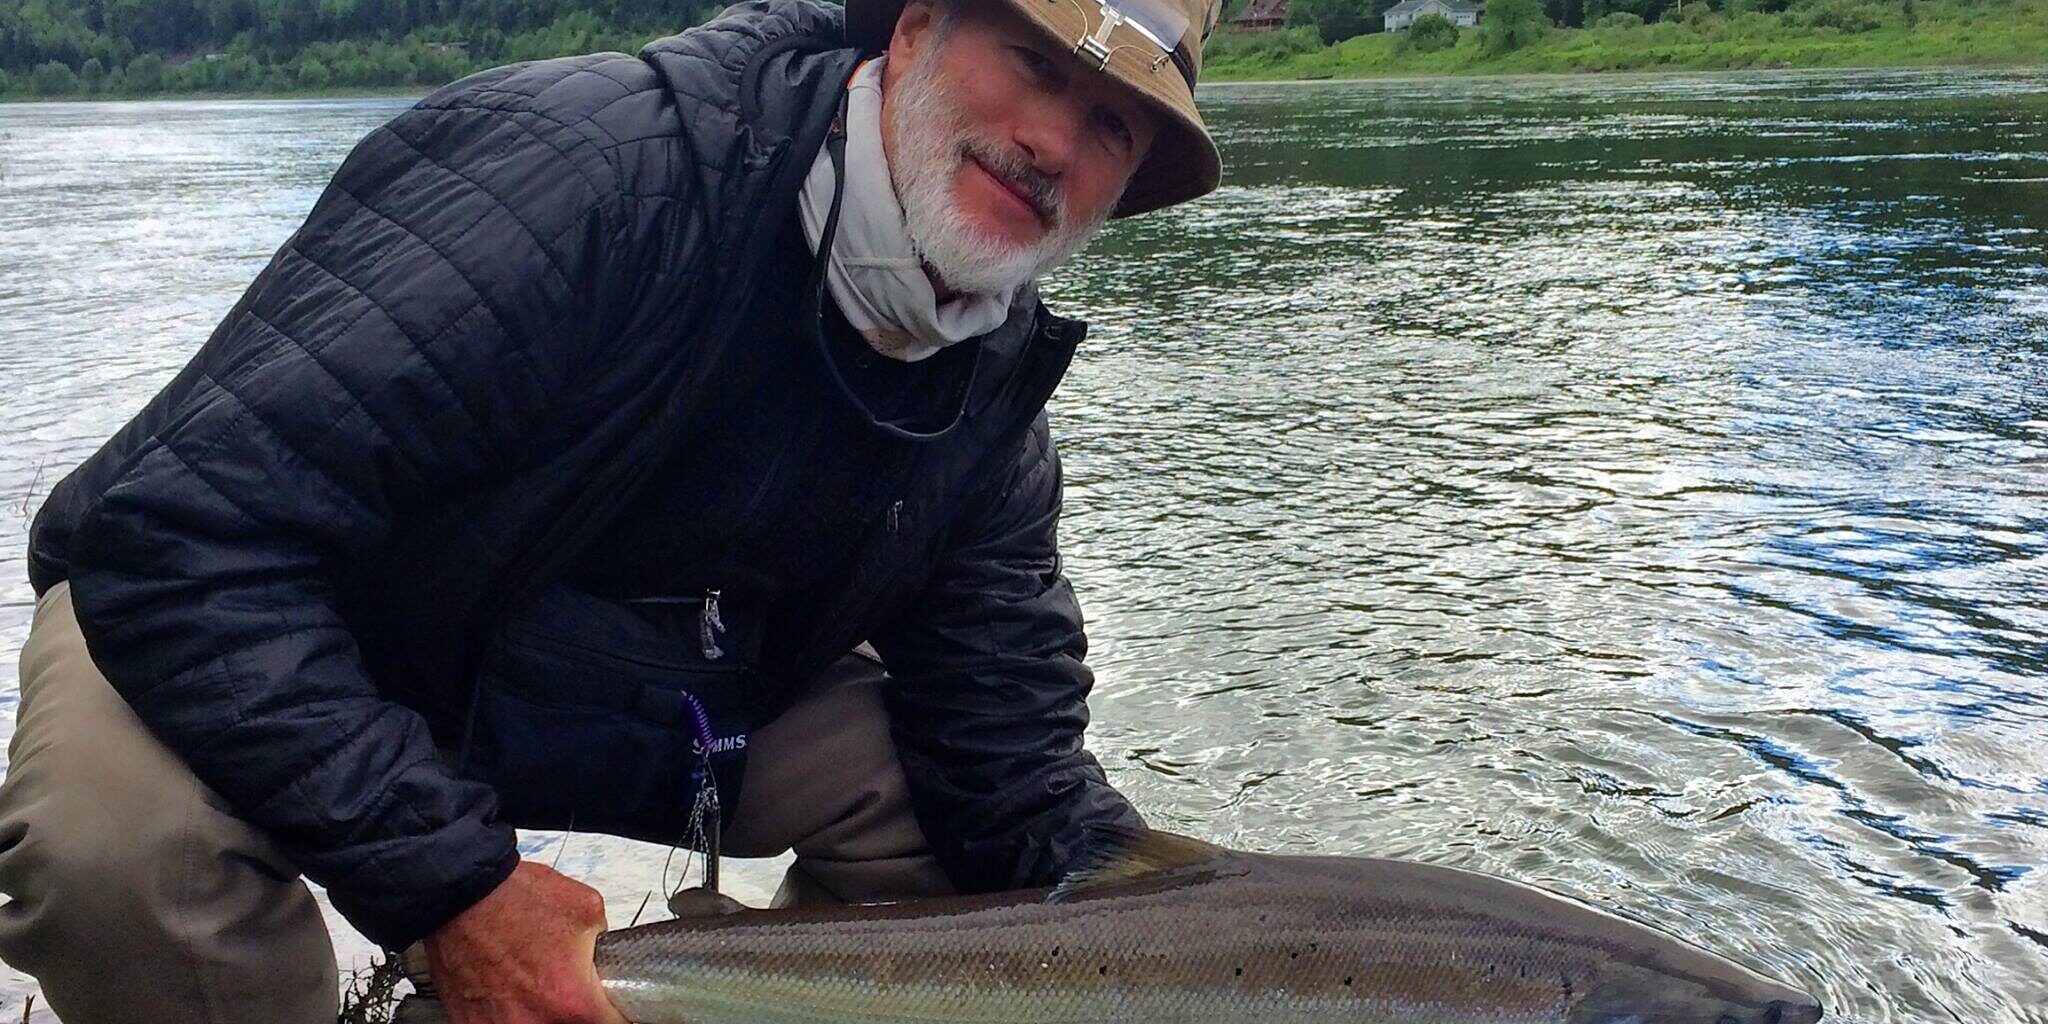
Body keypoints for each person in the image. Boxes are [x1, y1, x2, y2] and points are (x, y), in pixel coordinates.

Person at [0, 0, 1222, 1020]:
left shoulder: (988, 389)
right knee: (112, 841)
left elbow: (1005, 767)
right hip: (329, 640)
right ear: (910, 31)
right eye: (1031, 64)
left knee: (969, 854)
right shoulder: (585, 176)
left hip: (655, 697)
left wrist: (1222, 947)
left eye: (1108, 124)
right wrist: (455, 890)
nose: (1049, 142)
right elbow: (174, 536)